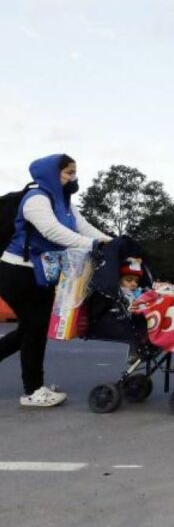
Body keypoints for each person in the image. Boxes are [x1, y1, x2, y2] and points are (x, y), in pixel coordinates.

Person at [0, 154, 111, 407]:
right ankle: (33, 391)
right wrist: (93, 245)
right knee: (35, 328)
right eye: (68, 173)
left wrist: (113, 243)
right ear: (52, 173)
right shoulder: (37, 198)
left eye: (74, 172)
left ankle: (34, 387)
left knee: (29, 329)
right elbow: (53, 231)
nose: (73, 177)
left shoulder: (65, 202)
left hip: (38, 273)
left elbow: (83, 227)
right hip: (17, 272)